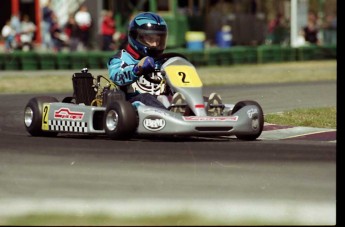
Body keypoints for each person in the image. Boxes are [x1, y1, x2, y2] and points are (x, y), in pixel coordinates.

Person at [107, 12, 223, 116]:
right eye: (151, 39)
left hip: (162, 99)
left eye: (159, 39)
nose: (155, 44)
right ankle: (172, 115)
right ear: (137, 37)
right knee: (146, 97)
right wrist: (138, 69)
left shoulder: (162, 60)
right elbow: (117, 77)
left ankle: (207, 110)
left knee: (185, 97)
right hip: (134, 104)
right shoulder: (121, 58)